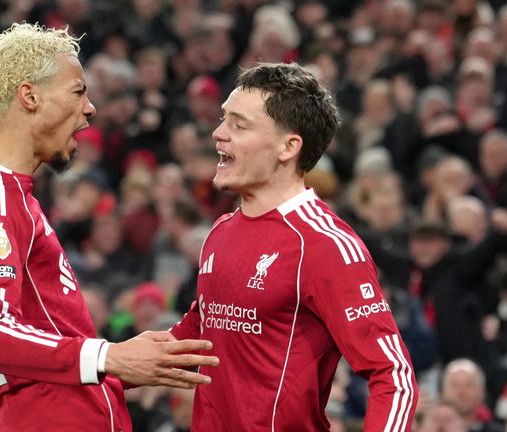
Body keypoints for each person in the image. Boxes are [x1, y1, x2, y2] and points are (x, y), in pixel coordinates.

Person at [0, 23, 218, 432]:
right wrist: (102, 362)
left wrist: (49, 391)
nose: (90, 109)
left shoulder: (0, 193)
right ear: (29, 96)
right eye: (78, 91)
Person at [168, 62, 418, 430]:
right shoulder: (221, 230)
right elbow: (195, 334)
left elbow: (394, 376)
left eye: (239, 125)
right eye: (224, 120)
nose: (219, 134)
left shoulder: (325, 245)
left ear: (288, 146)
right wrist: (99, 365)